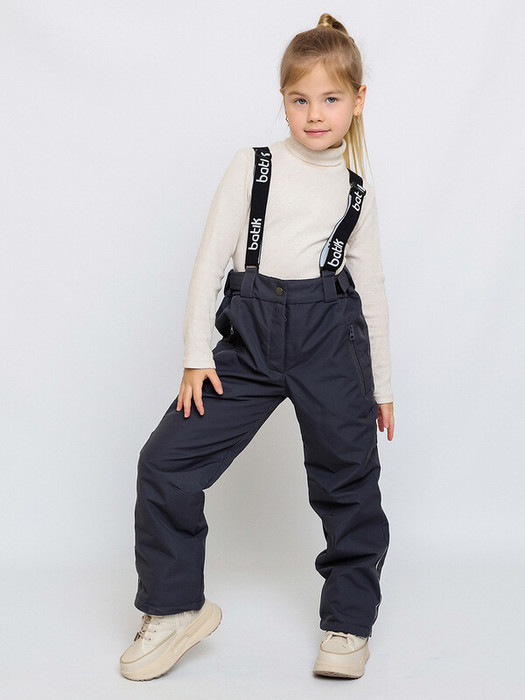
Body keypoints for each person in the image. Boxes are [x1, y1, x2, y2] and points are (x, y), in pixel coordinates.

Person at [120, 12, 395, 682]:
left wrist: (381, 387)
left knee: (348, 482)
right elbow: (210, 259)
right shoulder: (255, 164)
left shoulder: (355, 191)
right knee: (165, 462)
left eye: (330, 98)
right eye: (299, 99)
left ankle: (347, 622)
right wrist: (196, 355)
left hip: (332, 341)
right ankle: (175, 610)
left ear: (358, 100)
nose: (314, 114)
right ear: (283, 100)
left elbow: (372, 293)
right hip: (249, 341)